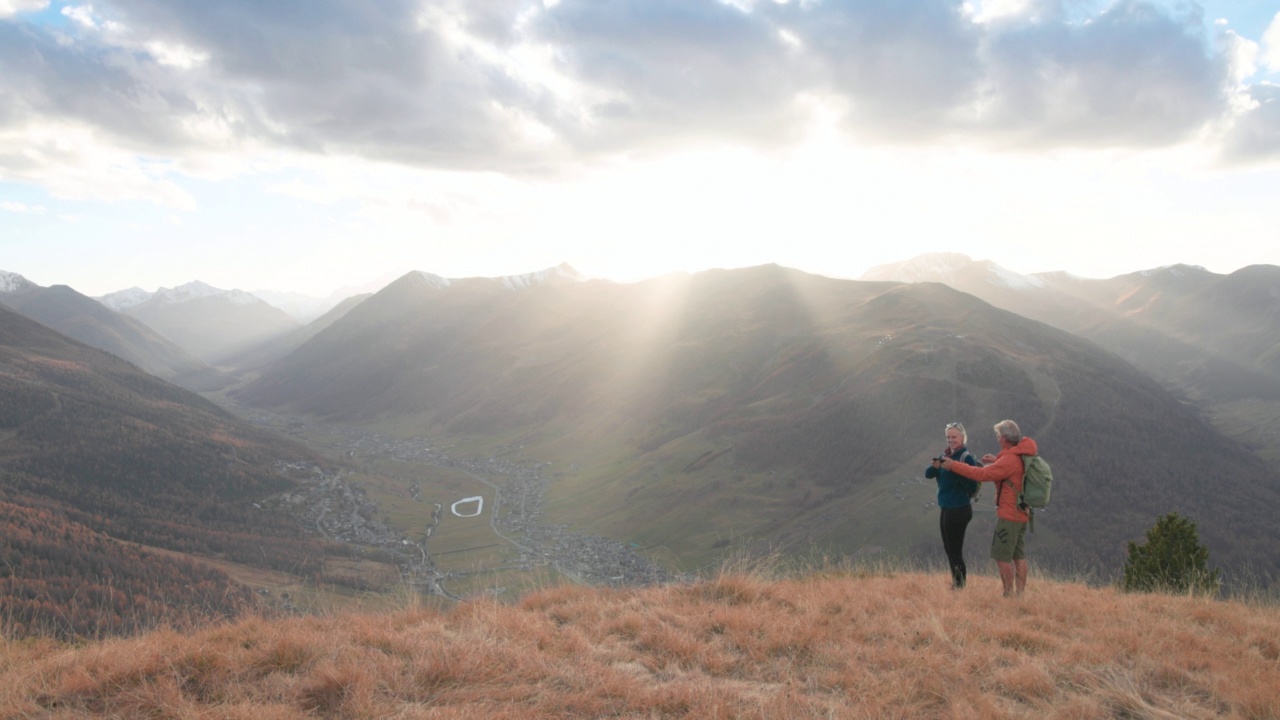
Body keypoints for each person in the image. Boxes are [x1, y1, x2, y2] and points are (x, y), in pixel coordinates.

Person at [942, 419, 1038, 597]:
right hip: (1022, 512)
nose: (997, 439)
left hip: (1010, 514)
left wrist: (953, 465)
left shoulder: (1010, 459)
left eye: (998, 436)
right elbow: (1010, 471)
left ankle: (1008, 595)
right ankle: (1020, 595)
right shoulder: (1022, 454)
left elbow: (982, 474)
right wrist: (996, 461)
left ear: (1004, 438)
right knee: (1019, 555)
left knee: (1002, 557)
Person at [925, 422, 980, 589]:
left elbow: (971, 486)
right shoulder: (946, 455)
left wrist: (954, 469)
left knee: (954, 551)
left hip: (959, 509)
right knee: (949, 549)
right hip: (947, 507)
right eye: (948, 437)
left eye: (954, 437)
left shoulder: (966, 457)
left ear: (962, 437)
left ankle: (959, 587)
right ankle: (957, 584)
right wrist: (936, 467)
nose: (950, 440)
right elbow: (927, 474)